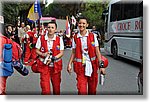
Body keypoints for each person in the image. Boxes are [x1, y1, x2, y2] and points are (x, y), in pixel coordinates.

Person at [67, 16, 106, 95]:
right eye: (80, 23)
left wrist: (101, 66)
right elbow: (74, 52)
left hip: (93, 66)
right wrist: (69, 64)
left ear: (87, 25)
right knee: (82, 90)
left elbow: (97, 51)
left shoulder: (93, 36)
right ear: (78, 24)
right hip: (80, 67)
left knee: (92, 90)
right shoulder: (75, 37)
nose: (81, 25)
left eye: (84, 23)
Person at [35, 21, 64, 95]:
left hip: (55, 66)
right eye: (49, 27)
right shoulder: (41, 38)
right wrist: (43, 54)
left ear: (55, 29)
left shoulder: (59, 39)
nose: (50, 29)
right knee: (45, 88)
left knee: (56, 88)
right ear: (46, 28)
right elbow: (36, 50)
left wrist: (54, 58)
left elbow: (61, 52)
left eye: (52, 27)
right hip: (44, 66)